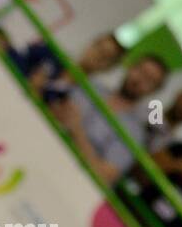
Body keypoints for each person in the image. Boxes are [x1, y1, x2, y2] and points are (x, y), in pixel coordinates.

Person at [50, 54, 169, 184]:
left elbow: (105, 175)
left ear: (154, 90)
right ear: (130, 67)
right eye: (140, 70)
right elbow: (53, 111)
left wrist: (77, 131)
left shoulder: (134, 134)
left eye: (149, 80)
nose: (140, 80)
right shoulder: (92, 87)